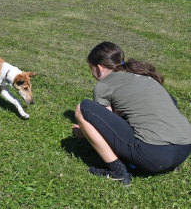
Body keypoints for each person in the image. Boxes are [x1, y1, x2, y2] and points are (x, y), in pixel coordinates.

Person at [72, 41, 191, 185]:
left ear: (98, 68)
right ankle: (168, 163)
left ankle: (118, 172)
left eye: (90, 68)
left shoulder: (104, 85)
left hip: (154, 156)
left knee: (83, 108)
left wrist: (84, 133)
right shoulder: (144, 77)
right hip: (184, 150)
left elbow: (107, 129)